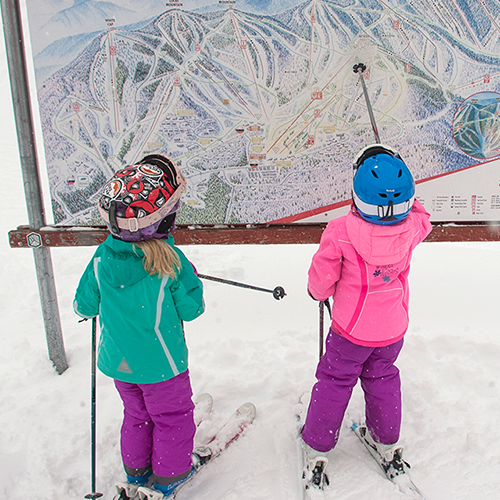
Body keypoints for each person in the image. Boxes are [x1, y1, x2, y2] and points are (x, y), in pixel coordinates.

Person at [73, 154, 205, 499]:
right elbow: (192, 308)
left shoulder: (101, 259)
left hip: (120, 362)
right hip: (162, 365)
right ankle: (170, 475)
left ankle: (137, 469)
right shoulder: (169, 263)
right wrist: (186, 274)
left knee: (136, 413)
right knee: (172, 416)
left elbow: (83, 304)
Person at [301, 144, 432, 489]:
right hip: (391, 329)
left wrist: (317, 293)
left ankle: (318, 443)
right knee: (383, 378)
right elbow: (422, 215)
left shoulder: (341, 231)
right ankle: (386, 440)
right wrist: (399, 175)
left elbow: (322, 279)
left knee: (335, 380)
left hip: (351, 331)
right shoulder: (412, 228)